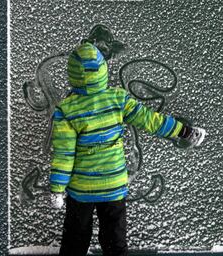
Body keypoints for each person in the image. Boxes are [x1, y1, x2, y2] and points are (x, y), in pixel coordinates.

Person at [49, 42, 206, 256]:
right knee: (115, 243)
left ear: (72, 73)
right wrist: (183, 131)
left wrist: (57, 189)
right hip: (113, 186)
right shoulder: (117, 99)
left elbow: (64, 153)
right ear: (103, 70)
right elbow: (150, 120)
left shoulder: (66, 110)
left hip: (81, 191)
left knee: (74, 243)